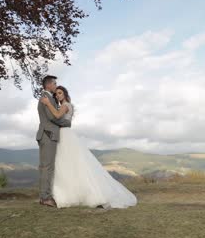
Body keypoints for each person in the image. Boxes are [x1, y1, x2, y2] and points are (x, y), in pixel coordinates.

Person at [40, 85, 137, 209]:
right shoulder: (66, 105)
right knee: (65, 164)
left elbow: (58, 116)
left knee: (71, 163)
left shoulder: (65, 105)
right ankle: (66, 192)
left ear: (64, 94)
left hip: (65, 135)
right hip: (63, 134)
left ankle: (85, 193)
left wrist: (48, 104)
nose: (58, 95)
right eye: (56, 94)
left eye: (60, 93)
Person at [36, 75, 71, 207]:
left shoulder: (49, 98)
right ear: (49, 84)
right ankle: (45, 198)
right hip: (48, 134)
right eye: (55, 84)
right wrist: (67, 123)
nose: (56, 86)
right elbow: (53, 117)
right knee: (47, 167)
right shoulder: (47, 98)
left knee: (47, 167)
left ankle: (44, 196)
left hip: (47, 134)